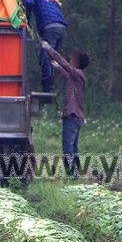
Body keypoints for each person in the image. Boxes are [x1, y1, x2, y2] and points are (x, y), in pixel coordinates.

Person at [42, 43, 88, 178]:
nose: (70, 61)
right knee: (73, 148)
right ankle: (77, 174)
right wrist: (57, 67)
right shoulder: (76, 77)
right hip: (77, 117)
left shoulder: (77, 73)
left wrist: (49, 49)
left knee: (67, 149)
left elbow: (66, 66)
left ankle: (72, 176)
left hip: (72, 117)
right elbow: (66, 74)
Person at [23, 0, 67, 92]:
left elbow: (28, 3)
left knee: (45, 56)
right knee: (54, 57)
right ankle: (53, 85)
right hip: (62, 27)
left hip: (50, 27)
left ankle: (47, 86)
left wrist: (27, 19)